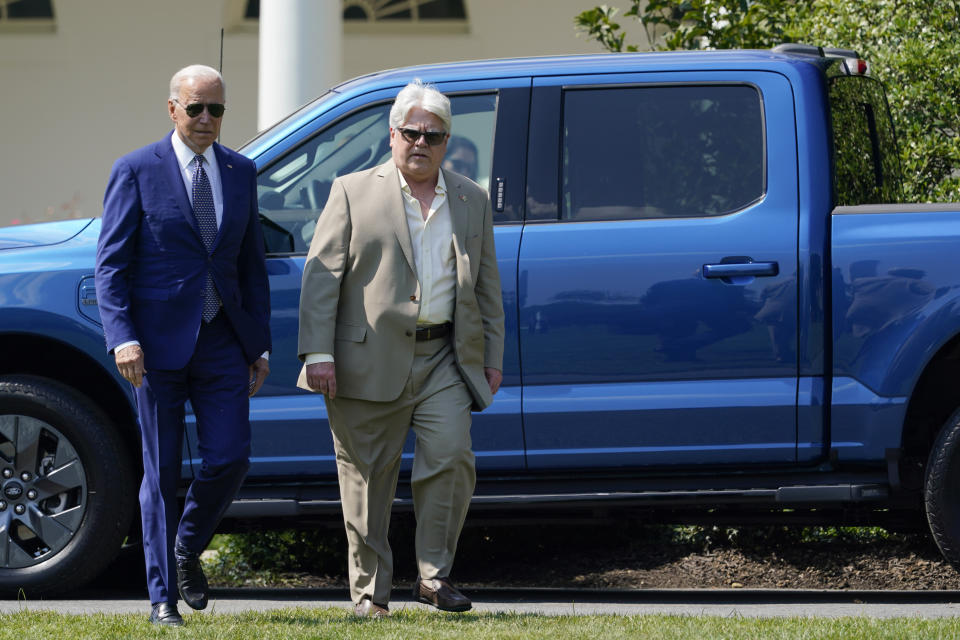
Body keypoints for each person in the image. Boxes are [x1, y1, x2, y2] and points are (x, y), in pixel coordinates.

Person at [297, 79, 505, 618]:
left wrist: (492, 357)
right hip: (364, 359)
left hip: (445, 359)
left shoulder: (470, 197)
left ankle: (435, 578)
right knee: (367, 477)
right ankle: (370, 595)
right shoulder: (351, 190)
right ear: (392, 135)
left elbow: (486, 286)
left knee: (452, 458)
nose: (420, 142)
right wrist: (317, 353)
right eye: (410, 132)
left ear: (446, 141)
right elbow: (322, 279)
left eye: (432, 136)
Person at [94, 64, 271, 627]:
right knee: (161, 471)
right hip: (155, 347)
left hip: (222, 341)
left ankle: (185, 545)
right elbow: (111, 266)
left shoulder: (241, 172)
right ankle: (161, 600)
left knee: (231, 456)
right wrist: (122, 337)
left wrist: (258, 346)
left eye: (215, 109)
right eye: (194, 108)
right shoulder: (135, 170)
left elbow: (251, 267)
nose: (205, 119)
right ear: (172, 109)